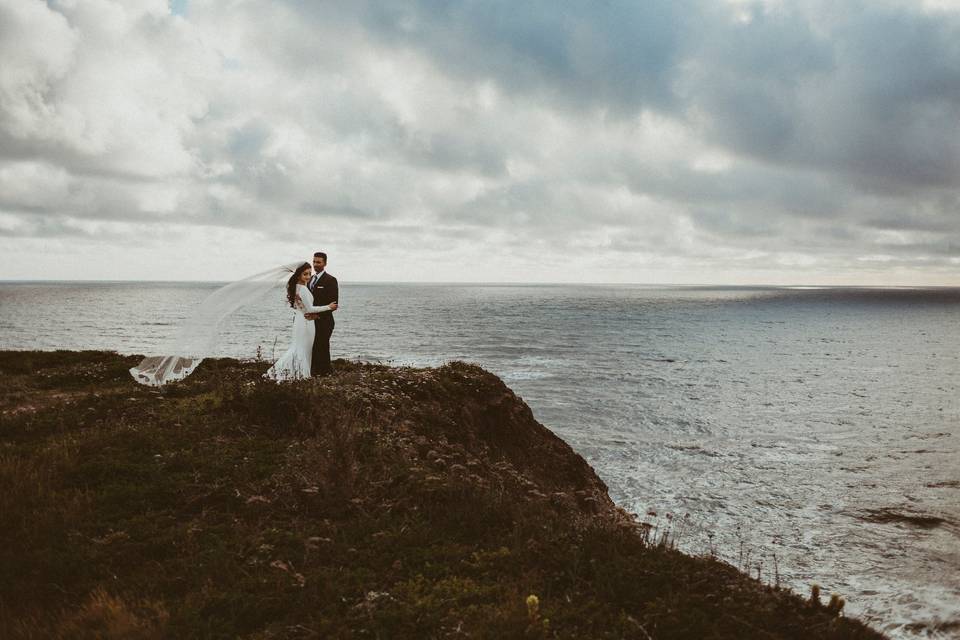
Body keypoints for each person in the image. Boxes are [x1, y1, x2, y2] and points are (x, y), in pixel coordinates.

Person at [264, 262, 337, 381]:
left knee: (298, 347)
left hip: (299, 320)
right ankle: (300, 374)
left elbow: (300, 307)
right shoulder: (302, 289)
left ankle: (296, 372)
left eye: (309, 274)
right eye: (305, 274)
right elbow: (310, 309)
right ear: (298, 275)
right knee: (304, 348)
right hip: (306, 323)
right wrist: (328, 307)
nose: (308, 277)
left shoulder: (295, 287)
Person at [305, 251, 339, 376]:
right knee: (311, 347)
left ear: (325, 263)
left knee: (322, 346)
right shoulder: (309, 279)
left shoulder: (330, 280)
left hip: (324, 321)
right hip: (310, 321)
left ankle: (325, 373)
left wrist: (317, 315)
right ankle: (313, 372)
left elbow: (334, 304)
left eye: (318, 262)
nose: (315, 264)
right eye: (314, 261)